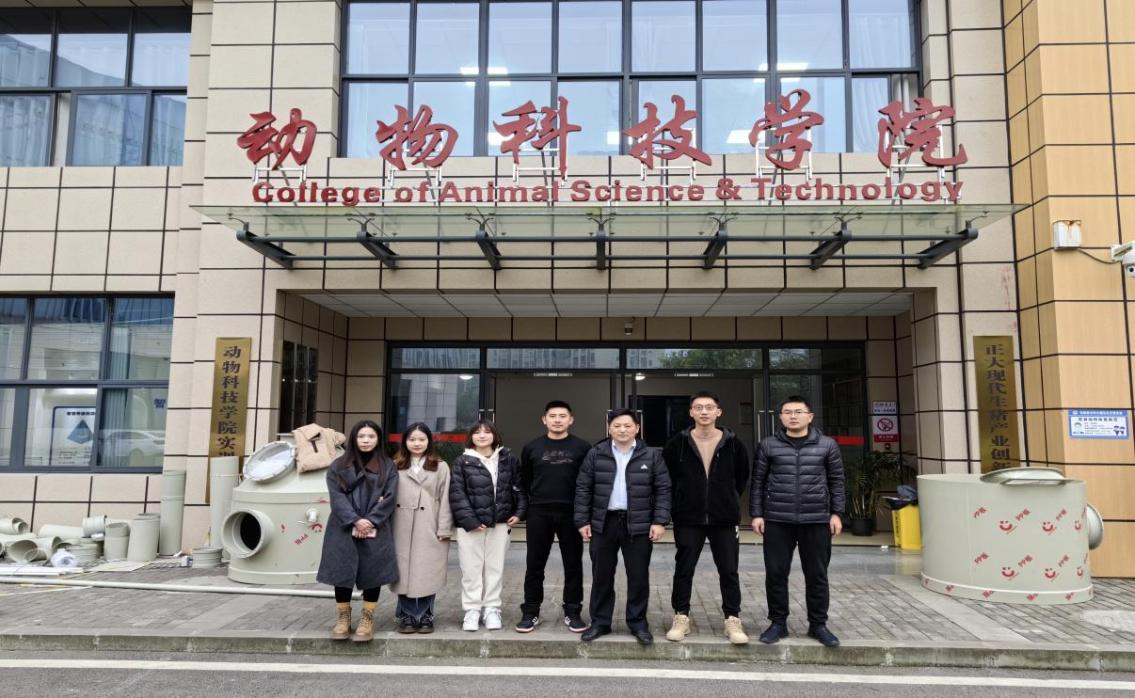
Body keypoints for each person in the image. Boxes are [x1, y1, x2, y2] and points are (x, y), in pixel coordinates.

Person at [750, 395, 846, 648]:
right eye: (788, 412)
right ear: (781, 417)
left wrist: (836, 513)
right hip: (777, 519)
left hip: (816, 519)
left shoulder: (827, 445)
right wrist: (757, 514)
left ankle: (818, 625)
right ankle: (778, 623)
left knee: (817, 575)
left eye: (798, 412)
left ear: (810, 416)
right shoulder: (768, 445)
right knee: (776, 574)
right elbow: (758, 482)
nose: (793, 416)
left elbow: (837, 481)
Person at [574, 408, 671, 646]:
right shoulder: (596, 453)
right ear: (609, 428)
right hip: (603, 522)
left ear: (637, 428)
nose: (622, 430)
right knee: (601, 575)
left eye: (628, 426)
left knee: (638, 576)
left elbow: (663, 489)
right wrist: (582, 521)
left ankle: (638, 623)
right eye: (617, 426)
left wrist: (659, 521)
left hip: (638, 523)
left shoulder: (651, 455)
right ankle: (600, 622)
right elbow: (583, 487)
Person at [662, 391, 751, 645]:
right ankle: (681, 617)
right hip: (688, 517)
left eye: (709, 407)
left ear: (718, 412)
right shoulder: (677, 443)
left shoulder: (733, 443)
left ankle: (732, 619)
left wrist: (725, 499)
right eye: (698, 407)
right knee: (684, 568)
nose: (704, 412)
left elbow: (741, 477)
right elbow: (667, 479)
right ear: (691, 412)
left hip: (724, 518)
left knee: (729, 570)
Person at [316, 419, 399, 643]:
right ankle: (343, 618)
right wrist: (354, 520)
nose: (366, 440)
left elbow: (390, 497)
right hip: (343, 527)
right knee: (341, 573)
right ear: (354, 438)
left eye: (371, 436)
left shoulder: (388, 466)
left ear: (378, 439)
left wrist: (370, 520)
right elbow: (336, 497)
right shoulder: (338, 465)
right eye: (361, 436)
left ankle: (367, 618)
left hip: (375, 527)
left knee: (373, 573)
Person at [516, 400, 592, 633]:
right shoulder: (532, 447)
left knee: (573, 564)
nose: (557, 420)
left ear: (571, 419)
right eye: (552, 416)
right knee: (534, 564)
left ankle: (573, 611)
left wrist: (585, 515)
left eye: (562, 416)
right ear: (544, 419)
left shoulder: (583, 447)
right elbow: (526, 480)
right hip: (539, 512)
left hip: (572, 513)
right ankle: (530, 612)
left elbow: (587, 482)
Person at [449, 420, 528, 632]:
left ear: (495, 435)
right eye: (477, 432)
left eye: (486, 432)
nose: (482, 435)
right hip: (470, 526)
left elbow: (519, 487)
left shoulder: (507, 458)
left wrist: (519, 513)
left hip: (501, 523)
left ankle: (492, 608)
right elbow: (457, 493)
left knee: (495, 568)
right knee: (471, 569)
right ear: (471, 437)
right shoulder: (462, 461)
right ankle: (472, 610)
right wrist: (472, 521)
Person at [390, 422, 453, 634]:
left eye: (421, 439)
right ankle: (407, 615)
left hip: (429, 525)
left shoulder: (441, 466)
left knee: (428, 571)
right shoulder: (395, 466)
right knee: (402, 573)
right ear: (405, 442)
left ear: (429, 441)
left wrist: (444, 528)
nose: (417, 443)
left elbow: (446, 499)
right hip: (401, 525)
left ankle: (426, 615)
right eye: (412, 439)